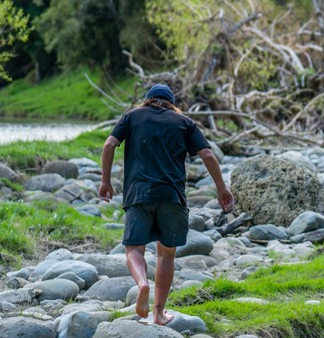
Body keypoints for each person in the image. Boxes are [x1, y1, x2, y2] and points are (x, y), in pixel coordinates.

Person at [98, 84, 234, 325]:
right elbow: (209, 156)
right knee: (166, 255)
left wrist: (106, 181)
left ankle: (142, 283)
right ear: (171, 103)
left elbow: (109, 145)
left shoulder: (132, 116)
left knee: (134, 249)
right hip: (172, 196)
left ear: (148, 100)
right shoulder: (184, 122)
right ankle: (159, 313)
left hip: (139, 194)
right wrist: (221, 188)